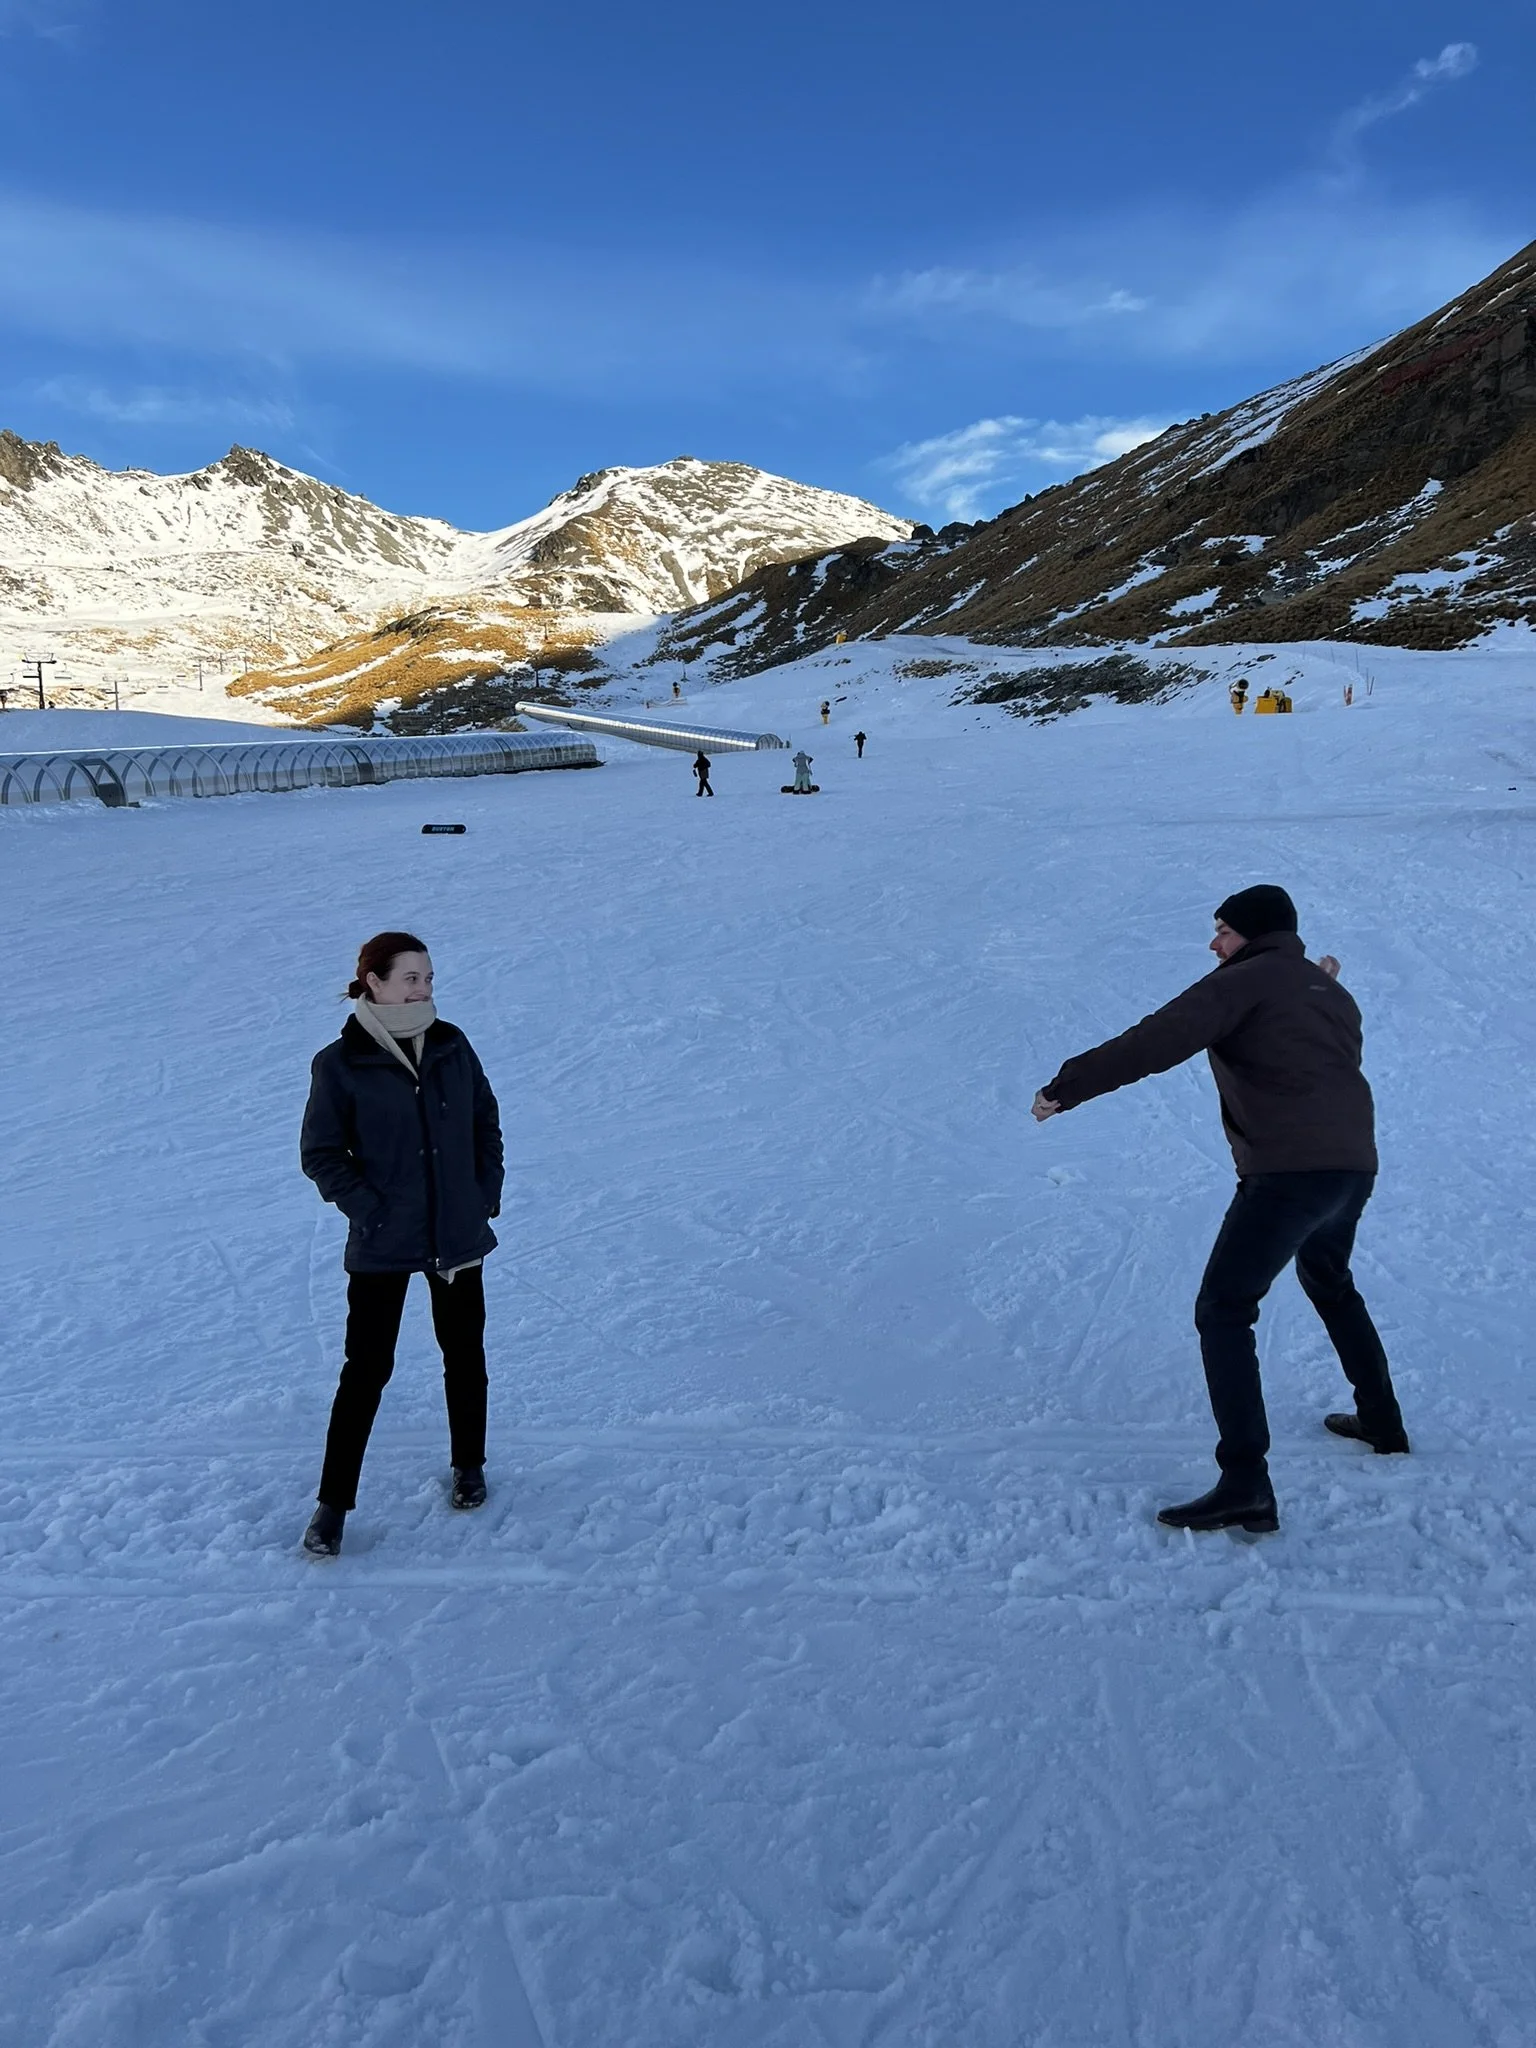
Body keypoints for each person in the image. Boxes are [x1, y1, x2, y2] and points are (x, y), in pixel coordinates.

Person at [1032, 884, 1407, 1535]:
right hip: (1351, 1169)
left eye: (1223, 931)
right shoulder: (1325, 992)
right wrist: (1306, 981)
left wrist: (1066, 1087)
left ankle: (1245, 1483)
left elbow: (1159, 1038)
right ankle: (1381, 1420)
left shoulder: (1247, 981)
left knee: (1224, 1309)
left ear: (1254, 935)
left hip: (1289, 1173)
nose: (1214, 944)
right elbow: (1308, 1042)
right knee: (1330, 1281)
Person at [299, 932, 503, 1557]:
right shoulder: (340, 1062)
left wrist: (481, 1195)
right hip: (385, 1242)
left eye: (430, 977)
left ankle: (469, 1467)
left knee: (463, 1355)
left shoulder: (450, 1044)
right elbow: (322, 1154)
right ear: (374, 982)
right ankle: (332, 1505)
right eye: (410, 977)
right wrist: (371, 1211)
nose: (423, 988)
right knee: (366, 1371)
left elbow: (484, 1124)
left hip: (455, 1234)